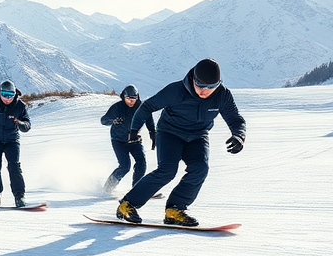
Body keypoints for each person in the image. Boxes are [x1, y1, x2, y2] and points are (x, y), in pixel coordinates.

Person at [115, 59, 245, 227]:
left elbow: (235, 119)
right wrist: (134, 129)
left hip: (198, 136)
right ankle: (128, 204)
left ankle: (175, 209)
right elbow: (148, 106)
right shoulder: (176, 91)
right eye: (200, 86)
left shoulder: (222, 95)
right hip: (170, 133)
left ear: (218, 84)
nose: (205, 91)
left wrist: (239, 135)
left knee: (200, 169)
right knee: (167, 170)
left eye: (211, 87)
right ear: (193, 79)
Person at [100, 85, 156, 194]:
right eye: (128, 99)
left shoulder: (141, 107)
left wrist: (152, 133)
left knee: (141, 162)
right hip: (118, 140)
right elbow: (103, 120)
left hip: (133, 140)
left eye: (133, 99)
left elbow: (149, 119)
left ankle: (137, 189)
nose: (131, 101)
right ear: (124, 97)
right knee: (125, 166)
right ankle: (107, 189)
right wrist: (113, 120)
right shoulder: (117, 107)